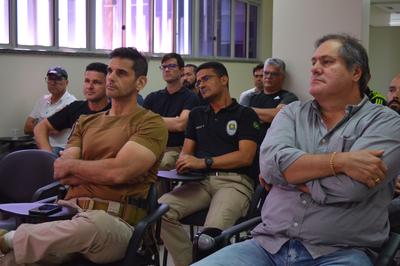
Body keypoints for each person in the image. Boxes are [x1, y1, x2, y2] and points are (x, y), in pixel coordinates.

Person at [193, 34, 400, 266]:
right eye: (313, 62)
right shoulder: (291, 113)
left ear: (356, 73)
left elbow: (353, 188)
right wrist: (340, 162)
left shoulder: (386, 122)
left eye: (327, 62)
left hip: (339, 252)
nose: (315, 69)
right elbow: (270, 166)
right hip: (267, 246)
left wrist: (289, 177)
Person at [0, 47, 168, 265]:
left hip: (116, 224)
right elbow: (62, 170)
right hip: (69, 215)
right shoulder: (86, 121)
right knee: (16, 259)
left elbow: (119, 172)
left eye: (121, 73)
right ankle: (13, 244)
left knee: (93, 225)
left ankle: (10, 238)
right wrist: (98, 170)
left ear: (141, 83)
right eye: (110, 71)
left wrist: (81, 169)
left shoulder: (150, 123)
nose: (111, 78)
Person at [159, 61, 260, 266]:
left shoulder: (245, 114)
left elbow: (245, 157)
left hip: (234, 182)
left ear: (224, 79)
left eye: (206, 79)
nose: (201, 85)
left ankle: (201, 260)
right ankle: (190, 262)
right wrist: (183, 162)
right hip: (199, 182)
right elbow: (186, 154)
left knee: (209, 237)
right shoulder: (197, 114)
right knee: (159, 211)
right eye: (198, 82)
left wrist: (203, 162)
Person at [34, 62, 111, 155]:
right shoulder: (76, 107)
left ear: (108, 85)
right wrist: (48, 155)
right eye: (87, 81)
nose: (90, 87)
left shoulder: (115, 110)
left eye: (96, 82)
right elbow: (40, 128)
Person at [143, 53, 199, 170]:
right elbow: (141, 123)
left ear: (181, 70)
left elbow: (180, 125)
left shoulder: (190, 97)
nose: (167, 70)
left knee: (162, 164)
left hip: (175, 148)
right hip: (151, 146)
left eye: (172, 66)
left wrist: (151, 120)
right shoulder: (152, 97)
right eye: (164, 67)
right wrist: (173, 121)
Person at [24, 66, 77, 151]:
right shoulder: (42, 100)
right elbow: (27, 127)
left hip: (57, 147)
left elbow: (54, 131)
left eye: (57, 79)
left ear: (66, 82)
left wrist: (40, 127)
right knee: (8, 156)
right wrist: (44, 128)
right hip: (36, 145)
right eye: (50, 79)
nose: (52, 83)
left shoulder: (71, 103)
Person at [249, 58, 298, 143]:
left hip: (275, 148)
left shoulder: (289, 97)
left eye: (274, 74)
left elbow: (278, 115)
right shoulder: (253, 97)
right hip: (252, 147)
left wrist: (250, 110)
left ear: (282, 77)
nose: (268, 77)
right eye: (266, 73)